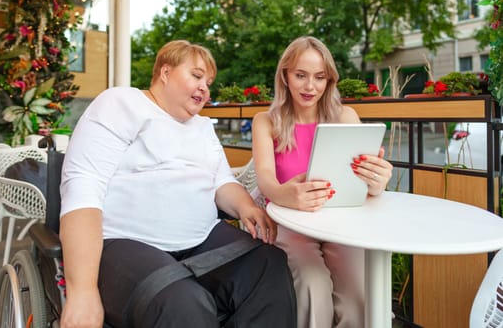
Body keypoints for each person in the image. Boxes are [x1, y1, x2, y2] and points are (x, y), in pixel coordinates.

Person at [58, 40, 297, 328]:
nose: (205, 88)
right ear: (165, 72)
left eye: (208, 82)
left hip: (201, 239)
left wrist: (247, 206)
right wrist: (82, 291)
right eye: (196, 76)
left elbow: (221, 181)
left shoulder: (202, 128)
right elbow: (83, 188)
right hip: (126, 241)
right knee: (183, 302)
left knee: (268, 266)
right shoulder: (121, 103)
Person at [252, 36, 393, 328]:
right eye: (300, 75)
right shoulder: (265, 121)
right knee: (313, 286)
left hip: (340, 223)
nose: (309, 87)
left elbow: (364, 184)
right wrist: (283, 194)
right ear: (285, 76)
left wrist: (376, 183)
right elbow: (265, 178)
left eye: (319, 77)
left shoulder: (345, 116)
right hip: (291, 224)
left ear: (329, 80)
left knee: (361, 296)